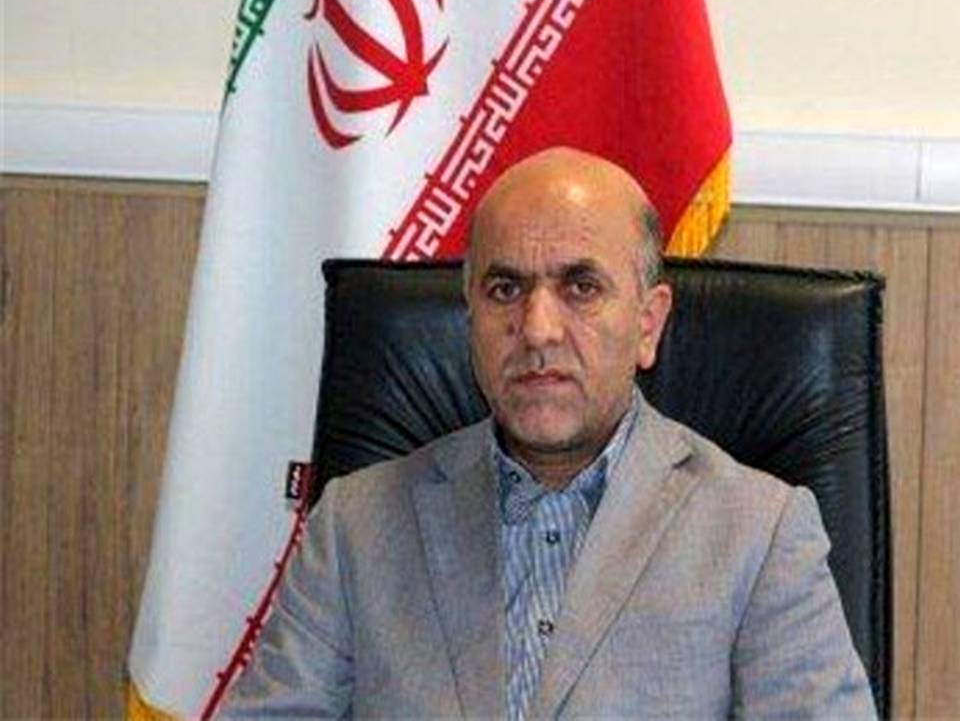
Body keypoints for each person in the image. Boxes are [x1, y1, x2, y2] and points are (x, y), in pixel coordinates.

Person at [224, 147, 877, 718]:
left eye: (581, 287)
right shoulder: (355, 527)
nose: (537, 329)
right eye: (505, 289)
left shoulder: (759, 533)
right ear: (471, 317)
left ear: (648, 323)